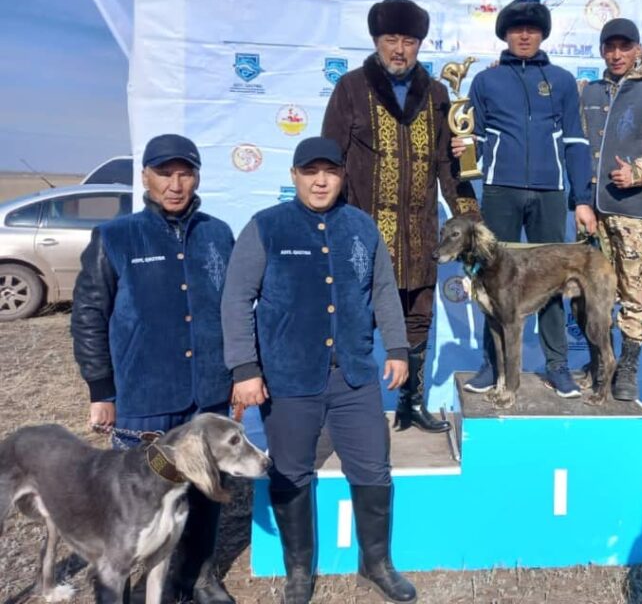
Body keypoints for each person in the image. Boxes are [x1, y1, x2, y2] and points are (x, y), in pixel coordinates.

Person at [222, 137, 415, 604]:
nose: (321, 181)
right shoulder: (266, 227)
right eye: (311, 172)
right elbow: (236, 298)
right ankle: (298, 572)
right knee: (291, 472)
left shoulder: (361, 227)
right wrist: (245, 368)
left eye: (330, 171)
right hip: (288, 379)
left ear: (343, 176)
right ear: (295, 176)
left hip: (353, 376)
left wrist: (397, 347)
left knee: (373, 468)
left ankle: (376, 565)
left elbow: (383, 291)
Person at [71, 134, 236, 604]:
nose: (175, 184)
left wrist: (239, 374)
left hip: (206, 393)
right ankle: (119, 583)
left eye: (185, 173)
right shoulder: (115, 237)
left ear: (197, 177)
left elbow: (235, 308)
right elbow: (88, 316)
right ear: (145, 177)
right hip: (143, 394)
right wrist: (101, 389)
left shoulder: (218, 234)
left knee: (205, 491)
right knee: (133, 501)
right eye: (164, 173)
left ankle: (197, 576)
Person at [322, 0, 479, 434]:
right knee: (355, 326)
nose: (399, 49)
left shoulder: (438, 95)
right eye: (391, 39)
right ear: (377, 41)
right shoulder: (351, 88)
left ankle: (411, 405)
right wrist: (327, 225)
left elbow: (449, 166)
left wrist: (471, 221)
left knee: (417, 321)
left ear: (419, 45)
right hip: (362, 238)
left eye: (409, 41)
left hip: (419, 236)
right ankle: (350, 412)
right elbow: (330, 159)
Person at [458, 0, 596, 398]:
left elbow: (575, 141)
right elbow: (474, 137)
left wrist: (582, 199)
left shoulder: (562, 80)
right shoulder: (486, 81)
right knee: (492, 281)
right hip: (499, 190)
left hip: (550, 193)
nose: (524, 35)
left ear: (542, 35)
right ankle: (492, 364)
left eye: (532, 29)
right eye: (516, 29)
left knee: (552, 281)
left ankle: (558, 366)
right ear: (504, 34)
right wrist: (464, 149)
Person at [576, 18, 642, 400]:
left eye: (624, 47)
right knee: (588, 292)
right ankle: (599, 362)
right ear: (602, 50)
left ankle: (628, 367)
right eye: (610, 47)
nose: (617, 55)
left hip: (632, 212)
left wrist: (636, 172)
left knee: (633, 292)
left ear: (637, 48)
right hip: (590, 211)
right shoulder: (587, 91)